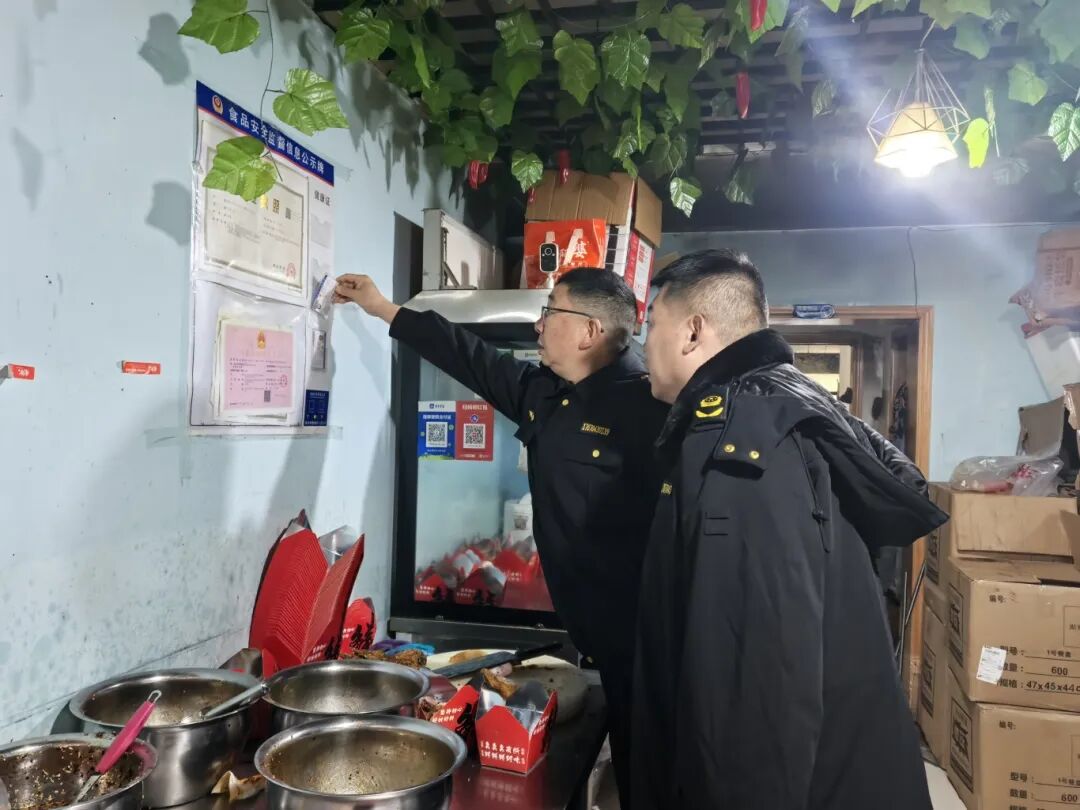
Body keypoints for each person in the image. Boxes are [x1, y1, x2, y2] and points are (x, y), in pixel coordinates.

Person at [334, 269, 669, 805]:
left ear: (589, 330)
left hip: (647, 643)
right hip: (591, 633)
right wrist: (382, 308)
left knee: (653, 776)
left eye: (551, 312)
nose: (539, 325)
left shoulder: (651, 406)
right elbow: (468, 356)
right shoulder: (547, 392)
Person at [632, 249, 948, 810]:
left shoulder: (743, 442)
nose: (642, 344)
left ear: (692, 332)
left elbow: (752, 695)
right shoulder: (784, 403)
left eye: (651, 324)